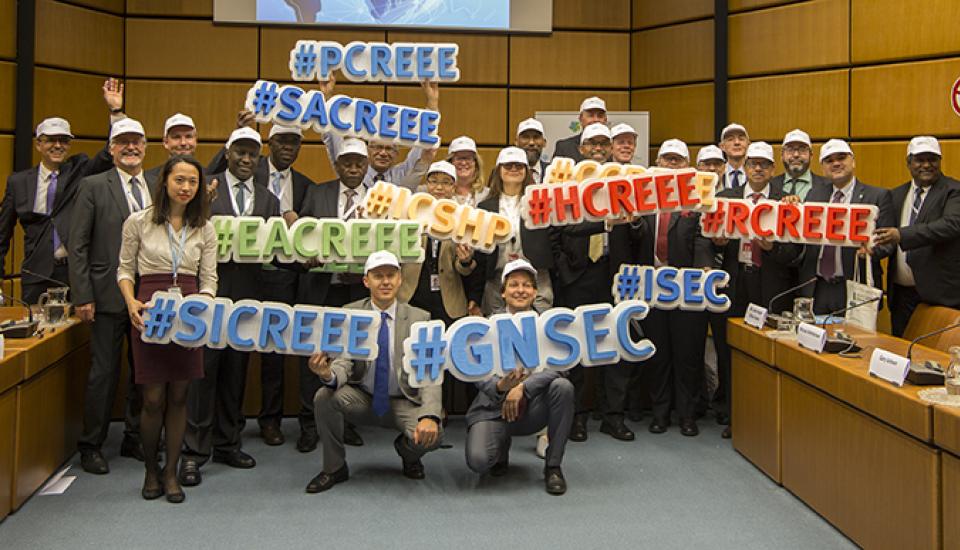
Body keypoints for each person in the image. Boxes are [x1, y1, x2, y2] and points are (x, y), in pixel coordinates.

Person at [179, 128, 280, 486]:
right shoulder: (204, 190)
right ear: (227, 152)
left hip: (248, 301)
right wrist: (199, 203)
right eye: (240, 152)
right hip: (208, 298)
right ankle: (193, 452)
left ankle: (227, 442)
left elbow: (278, 252)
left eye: (253, 153)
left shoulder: (269, 200)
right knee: (202, 374)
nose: (246, 159)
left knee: (236, 374)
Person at [117, 155, 216, 502]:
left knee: (179, 395)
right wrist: (130, 302)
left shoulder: (204, 226)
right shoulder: (138, 222)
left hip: (189, 313)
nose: (187, 187)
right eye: (180, 180)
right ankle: (150, 470)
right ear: (165, 182)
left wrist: (200, 306)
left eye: (193, 181)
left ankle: (171, 472)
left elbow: (209, 278)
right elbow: (125, 270)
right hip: (149, 309)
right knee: (153, 397)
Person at [304, 251, 441, 493]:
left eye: (391, 275)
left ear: (400, 279)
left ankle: (408, 454)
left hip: (403, 402)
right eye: (378, 276)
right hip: (363, 400)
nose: (385, 282)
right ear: (366, 281)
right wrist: (327, 374)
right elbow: (344, 361)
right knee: (323, 397)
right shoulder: (352, 313)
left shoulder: (421, 319)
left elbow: (429, 374)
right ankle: (334, 467)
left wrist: (430, 415)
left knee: (434, 434)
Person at [69, 117, 157, 474]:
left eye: (137, 141)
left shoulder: (155, 184)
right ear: (111, 148)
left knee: (143, 372)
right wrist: (83, 296)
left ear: (145, 147)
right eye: (123, 142)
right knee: (103, 373)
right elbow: (78, 245)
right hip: (105, 296)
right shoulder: (92, 185)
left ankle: (134, 437)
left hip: (149, 296)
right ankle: (91, 444)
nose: (131, 147)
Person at [710, 142, 801, 439]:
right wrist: (719, 243)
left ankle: (769, 418)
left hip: (772, 284)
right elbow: (709, 240)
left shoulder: (786, 202)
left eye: (764, 164)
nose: (758, 168)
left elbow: (795, 254)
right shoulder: (726, 199)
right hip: (737, 283)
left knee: (768, 350)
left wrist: (772, 247)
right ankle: (735, 415)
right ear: (745, 167)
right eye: (753, 164)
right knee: (731, 350)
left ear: (773, 170)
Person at [0, 80, 121, 304]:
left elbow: (108, 155)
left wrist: (115, 111)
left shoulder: (79, 169)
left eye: (64, 140)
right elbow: (1, 233)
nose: (58, 145)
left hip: (75, 273)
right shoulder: (18, 182)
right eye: (51, 140)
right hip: (36, 276)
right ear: (38, 144)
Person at [553, 124, 634, 442]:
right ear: (581, 149)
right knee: (576, 348)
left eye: (605, 143)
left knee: (615, 346)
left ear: (613, 147)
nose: (599, 148)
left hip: (616, 274)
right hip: (578, 273)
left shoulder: (626, 184)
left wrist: (635, 220)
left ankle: (613, 415)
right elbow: (562, 229)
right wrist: (563, 265)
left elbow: (639, 230)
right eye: (593, 144)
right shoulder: (568, 185)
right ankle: (576, 416)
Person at [464, 259, 574, 495]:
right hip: (493, 407)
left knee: (563, 387)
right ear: (502, 293)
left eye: (526, 285)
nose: (520, 290)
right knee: (479, 461)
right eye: (513, 285)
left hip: (533, 406)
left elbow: (561, 366)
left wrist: (523, 388)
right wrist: (502, 387)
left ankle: (553, 466)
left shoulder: (548, 325)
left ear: (536, 293)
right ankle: (500, 449)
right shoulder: (485, 325)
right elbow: (473, 368)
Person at [292, 137, 370, 453]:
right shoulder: (317, 192)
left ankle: (346, 422)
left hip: (356, 290)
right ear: (336, 165)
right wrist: (307, 256)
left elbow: (386, 246)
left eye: (358, 163)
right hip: (320, 289)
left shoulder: (380, 199)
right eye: (347, 162)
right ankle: (310, 425)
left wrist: (363, 267)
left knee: (352, 358)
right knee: (314, 356)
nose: (352, 168)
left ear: (366, 167)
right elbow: (300, 240)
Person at [635, 139, 713, 436]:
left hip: (687, 288)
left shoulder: (697, 197)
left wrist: (704, 266)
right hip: (651, 286)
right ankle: (660, 413)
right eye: (666, 159)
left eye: (677, 160)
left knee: (687, 354)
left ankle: (687, 415)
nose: (671, 164)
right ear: (657, 163)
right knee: (658, 353)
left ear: (687, 165)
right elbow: (635, 235)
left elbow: (704, 238)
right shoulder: (643, 196)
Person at [872, 136, 960, 336]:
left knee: (936, 357)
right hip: (901, 296)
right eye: (920, 160)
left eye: (933, 159)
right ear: (908, 163)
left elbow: (951, 225)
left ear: (940, 161)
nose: (927, 165)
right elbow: (887, 238)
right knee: (901, 353)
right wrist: (872, 248)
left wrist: (901, 235)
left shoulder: (954, 191)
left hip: (938, 297)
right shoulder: (896, 195)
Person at [797, 139, 895, 314]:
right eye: (829, 160)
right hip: (817, 287)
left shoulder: (878, 196)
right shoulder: (814, 195)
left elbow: (889, 243)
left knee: (855, 341)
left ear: (853, 161)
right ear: (822, 167)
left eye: (841, 158)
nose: (836, 163)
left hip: (855, 286)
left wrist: (872, 250)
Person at [319, 76, 438, 190]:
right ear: (368, 149)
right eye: (378, 147)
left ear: (396, 154)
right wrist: (326, 97)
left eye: (389, 149)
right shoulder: (351, 169)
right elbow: (332, 138)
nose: (383, 153)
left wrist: (432, 102)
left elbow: (423, 143)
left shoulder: (402, 176)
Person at [475, 147, 554, 315]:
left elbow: (553, 238)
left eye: (519, 166)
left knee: (540, 328)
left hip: (536, 278)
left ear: (527, 170)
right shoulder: (485, 207)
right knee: (497, 330)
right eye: (508, 166)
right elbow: (480, 254)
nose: (513, 170)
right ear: (498, 171)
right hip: (497, 279)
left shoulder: (540, 201)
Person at [769, 129, 830, 201]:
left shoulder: (828, 186)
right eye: (790, 150)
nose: (796, 155)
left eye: (802, 150)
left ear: (811, 155)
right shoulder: (769, 185)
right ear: (782, 155)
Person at [142, 114, 198, 186]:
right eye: (176, 137)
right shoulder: (148, 179)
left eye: (188, 136)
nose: (183, 143)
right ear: (165, 142)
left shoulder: (208, 176)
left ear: (195, 140)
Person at [552, 96, 607, 162]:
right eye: (590, 115)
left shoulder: (615, 147)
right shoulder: (564, 147)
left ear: (605, 120)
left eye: (600, 116)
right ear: (581, 118)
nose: (595, 120)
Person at [447, 136, 487, 205]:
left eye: (468, 158)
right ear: (450, 162)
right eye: (459, 158)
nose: (463, 163)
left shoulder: (488, 195)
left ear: (476, 163)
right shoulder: (436, 191)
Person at [718, 123, 750, 189]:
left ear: (748, 144)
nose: (737, 143)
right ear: (722, 146)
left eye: (741, 139)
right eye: (730, 139)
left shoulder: (756, 173)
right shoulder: (717, 172)